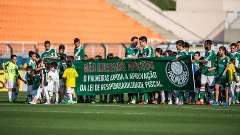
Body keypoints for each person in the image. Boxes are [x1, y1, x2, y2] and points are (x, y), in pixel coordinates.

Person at [193, 40, 216, 105]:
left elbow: (205, 61)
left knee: (211, 87)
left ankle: (211, 101)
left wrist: (196, 60)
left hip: (210, 71)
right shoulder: (206, 52)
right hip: (204, 71)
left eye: (205, 44)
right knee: (202, 85)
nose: (204, 45)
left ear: (209, 45)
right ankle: (202, 100)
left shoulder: (212, 52)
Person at [138, 36, 154, 104]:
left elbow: (149, 57)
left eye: (140, 42)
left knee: (148, 84)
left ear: (144, 42)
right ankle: (147, 100)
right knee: (145, 84)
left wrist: (141, 58)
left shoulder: (149, 48)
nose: (140, 44)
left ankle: (151, 99)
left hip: (149, 69)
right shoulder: (144, 49)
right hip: (144, 69)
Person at [176, 40, 189, 105]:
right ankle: (182, 99)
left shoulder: (186, 52)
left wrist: (180, 57)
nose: (176, 46)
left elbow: (188, 59)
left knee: (182, 87)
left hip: (184, 71)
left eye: (177, 45)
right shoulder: (178, 52)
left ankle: (182, 100)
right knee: (179, 86)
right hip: (179, 71)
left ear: (180, 46)